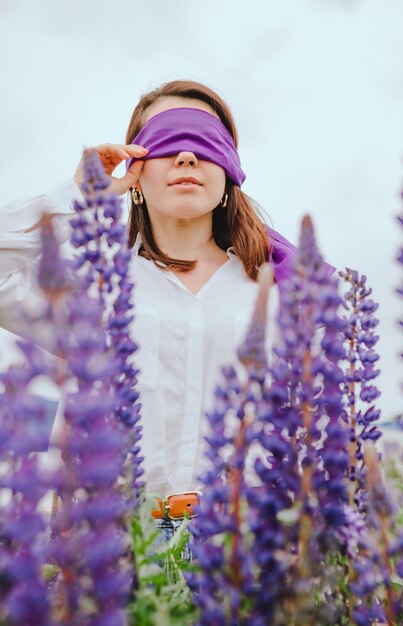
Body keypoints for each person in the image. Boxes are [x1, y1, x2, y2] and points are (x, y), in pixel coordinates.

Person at [0, 80, 330, 559]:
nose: (187, 156)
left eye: (205, 141)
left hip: (248, 563)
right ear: (133, 169)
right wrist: (78, 193)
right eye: (165, 140)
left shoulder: (283, 291)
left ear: (229, 171)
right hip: (112, 562)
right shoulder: (93, 286)